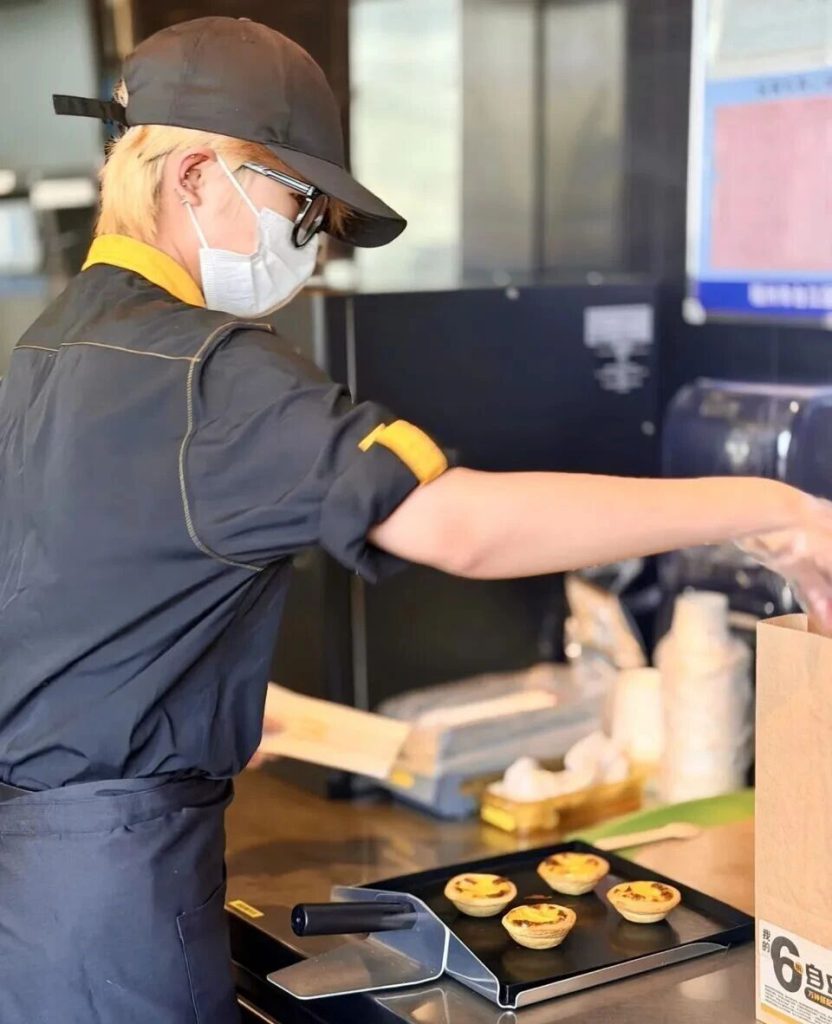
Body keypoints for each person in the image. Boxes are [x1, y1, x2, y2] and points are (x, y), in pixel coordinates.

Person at [1, 15, 830, 1024]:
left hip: (32, 896)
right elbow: (463, 527)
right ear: (195, 176)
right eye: (301, 205)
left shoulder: (47, 348)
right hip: (112, 910)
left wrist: (183, 696)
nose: (311, 247)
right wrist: (773, 505)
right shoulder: (210, 372)